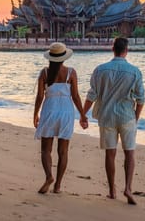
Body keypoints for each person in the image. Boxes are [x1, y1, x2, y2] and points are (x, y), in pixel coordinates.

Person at [80, 37, 145, 205]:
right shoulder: (134, 71)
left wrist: (83, 114)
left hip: (107, 116)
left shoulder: (100, 70)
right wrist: (136, 117)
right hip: (126, 116)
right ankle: (128, 188)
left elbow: (92, 95)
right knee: (129, 153)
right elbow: (141, 99)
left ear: (112, 49)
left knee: (110, 153)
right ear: (126, 50)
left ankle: (112, 190)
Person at [34, 42, 86, 194]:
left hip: (49, 109)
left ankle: (49, 176)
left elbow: (39, 96)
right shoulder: (71, 73)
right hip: (66, 111)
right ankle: (57, 186)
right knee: (63, 151)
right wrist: (82, 115)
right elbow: (75, 96)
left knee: (45, 150)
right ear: (64, 58)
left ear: (50, 57)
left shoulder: (44, 73)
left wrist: (35, 113)